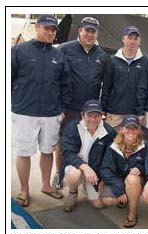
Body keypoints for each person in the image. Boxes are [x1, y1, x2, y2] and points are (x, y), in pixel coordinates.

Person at [11, 14, 71, 206]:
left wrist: (62, 110)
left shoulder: (58, 54)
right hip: (24, 112)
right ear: (37, 27)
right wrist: (15, 103)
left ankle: (46, 185)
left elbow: (65, 84)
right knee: (24, 151)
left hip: (51, 113)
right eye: (46, 28)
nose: (50, 32)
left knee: (47, 151)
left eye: (53, 30)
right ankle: (24, 189)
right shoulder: (19, 50)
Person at [52, 16, 111, 188]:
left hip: (91, 111)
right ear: (80, 30)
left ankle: (84, 175)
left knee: (87, 143)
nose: (90, 35)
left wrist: (104, 108)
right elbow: (55, 78)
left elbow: (106, 85)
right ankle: (59, 173)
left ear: (97, 33)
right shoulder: (64, 49)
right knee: (63, 143)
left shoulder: (103, 56)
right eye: (87, 30)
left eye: (93, 31)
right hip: (69, 107)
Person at [60, 100, 116, 212]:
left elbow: (110, 159)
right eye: (89, 115)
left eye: (96, 116)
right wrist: (85, 167)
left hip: (95, 173)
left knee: (99, 204)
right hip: (76, 167)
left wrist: (104, 179)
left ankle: (87, 186)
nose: (93, 119)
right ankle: (73, 192)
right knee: (74, 175)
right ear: (82, 114)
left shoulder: (109, 132)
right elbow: (68, 153)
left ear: (102, 116)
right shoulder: (72, 127)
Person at [100, 115, 147, 228]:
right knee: (108, 200)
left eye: (134, 128)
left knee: (132, 179)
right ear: (122, 129)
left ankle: (132, 213)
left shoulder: (146, 146)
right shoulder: (113, 147)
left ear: (139, 130)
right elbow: (105, 170)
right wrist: (119, 189)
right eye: (128, 127)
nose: (131, 131)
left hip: (136, 181)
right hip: (119, 180)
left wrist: (141, 169)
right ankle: (125, 197)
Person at [101, 26, 148, 130]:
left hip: (134, 114)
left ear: (139, 41)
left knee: (131, 144)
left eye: (135, 39)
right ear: (123, 39)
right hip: (114, 113)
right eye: (129, 38)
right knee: (111, 143)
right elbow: (106, 86)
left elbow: (143, 89)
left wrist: (141, 112)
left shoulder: (145, 61)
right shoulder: (112, 60)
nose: (132, 41)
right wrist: (103, 110)